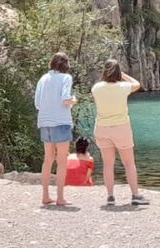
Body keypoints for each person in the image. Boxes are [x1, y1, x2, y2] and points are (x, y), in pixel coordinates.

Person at [91, 59, 149, 206]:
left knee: (108, 164)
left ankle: (110, 197)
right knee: (129, 163)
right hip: (121, 128)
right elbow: (137, 84)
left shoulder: (96, 88)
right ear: (118, 72)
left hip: (102, 128)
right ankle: (135, 195)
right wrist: (123, 75)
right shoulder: (124, 87)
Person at [34, 52, 77, 205]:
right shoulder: (66, 78)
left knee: (48, 159)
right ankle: (60, 197)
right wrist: (74, 100)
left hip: (44, 122)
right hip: (61, 122)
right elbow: (65, 99)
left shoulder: (43, 79)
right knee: (62, 160)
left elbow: (37, 103)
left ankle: (45, 196)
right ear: (65, 65)